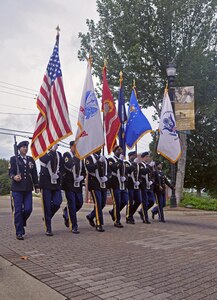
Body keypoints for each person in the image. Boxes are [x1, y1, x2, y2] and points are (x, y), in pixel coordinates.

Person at [9, 140, 39, 240]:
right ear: (19, 149)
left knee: (28, 209)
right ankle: (19, 232)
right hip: (17, 189)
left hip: (27, 188)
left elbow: (34, 173)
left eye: (26, 147)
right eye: (23, 147)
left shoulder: (31, 159)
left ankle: (21, 222)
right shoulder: (14, 159)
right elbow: (10, 172)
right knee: (18, 210)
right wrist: (14, 177)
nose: (25, 149)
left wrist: (36, 185)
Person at [62, 141, 86, 234]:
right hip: (69, 184)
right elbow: (69, 165)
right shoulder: (67, 155)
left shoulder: (80, 158)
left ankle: (66, 212)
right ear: (71, 147)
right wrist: (76, 157)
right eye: (75, 147)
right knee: (72, 204)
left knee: (79, 203)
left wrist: (82, 177)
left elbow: (84, 171)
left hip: (78, 184)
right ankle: (74, 226)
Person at [39, 144, 63, 236]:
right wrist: (51, 152)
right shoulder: (43, 152)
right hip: (46, 183)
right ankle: (48, 228)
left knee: (57, 202)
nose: (57, 145)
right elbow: (44, 160)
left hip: (56, 183)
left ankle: (47, 217)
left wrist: (59, 175)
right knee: (47, 206)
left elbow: (62, 167)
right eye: (55, 144)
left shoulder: (59, 155)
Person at [85, 149, 108, 232]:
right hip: (94, 183)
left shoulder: (103, 158)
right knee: (98, 203)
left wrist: (106, 177)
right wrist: (98, 162)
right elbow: (90, 168)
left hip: (103, 184)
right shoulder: (89, 157)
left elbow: (108, 171)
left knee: (102, 204)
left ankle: (91, 216)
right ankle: (99, 224)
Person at [107, 145, 128, 228]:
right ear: (114, 151)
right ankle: (117, 221)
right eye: (118, 150)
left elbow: (125, 172)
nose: (120, 151)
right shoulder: (111, 159)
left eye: (121, 150)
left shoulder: (122, 161)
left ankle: (113, 212)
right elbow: (114, 168)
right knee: (117, 202)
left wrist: (125, 177)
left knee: (125, 201)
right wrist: (120, 161)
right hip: (114, 183)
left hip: (122, 184)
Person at [138, 152, 155, 224]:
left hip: (149, 186)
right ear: (143, 157)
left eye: (149, 156)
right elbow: (143, 172)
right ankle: (145, 218)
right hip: (143, 185)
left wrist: (152, 181)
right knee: (144, 202)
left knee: (151, 201)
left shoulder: (149, 165)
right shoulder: (140, 165)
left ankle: (142, 211)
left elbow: (153, 175)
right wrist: (150, 167)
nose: (148, 158)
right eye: (146, 156)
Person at [125, 151, 141, 224]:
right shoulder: (126, 163)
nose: (135, 157)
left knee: (138, 200)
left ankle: (131, 214)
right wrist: (134, 164)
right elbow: (127, 171)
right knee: (130, 202)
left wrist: (139, 181)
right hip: (129, 185)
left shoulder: (137, 165)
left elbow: (140, 174)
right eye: (133, 156)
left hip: (136, 186)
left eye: (135, 156)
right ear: (129, 156)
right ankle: (128, 217)